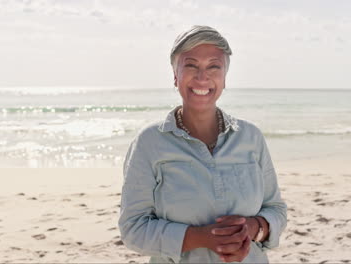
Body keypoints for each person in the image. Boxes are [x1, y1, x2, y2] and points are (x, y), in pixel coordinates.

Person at [118, 25, 287, 263]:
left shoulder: (251, 137)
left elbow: (276, 209)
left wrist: (253, 229)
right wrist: (202, 238)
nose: (202, 77)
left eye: (213, 66)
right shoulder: (149, 143)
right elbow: (133, 230)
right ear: (175, 75)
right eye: (191, 65)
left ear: (224, 78)